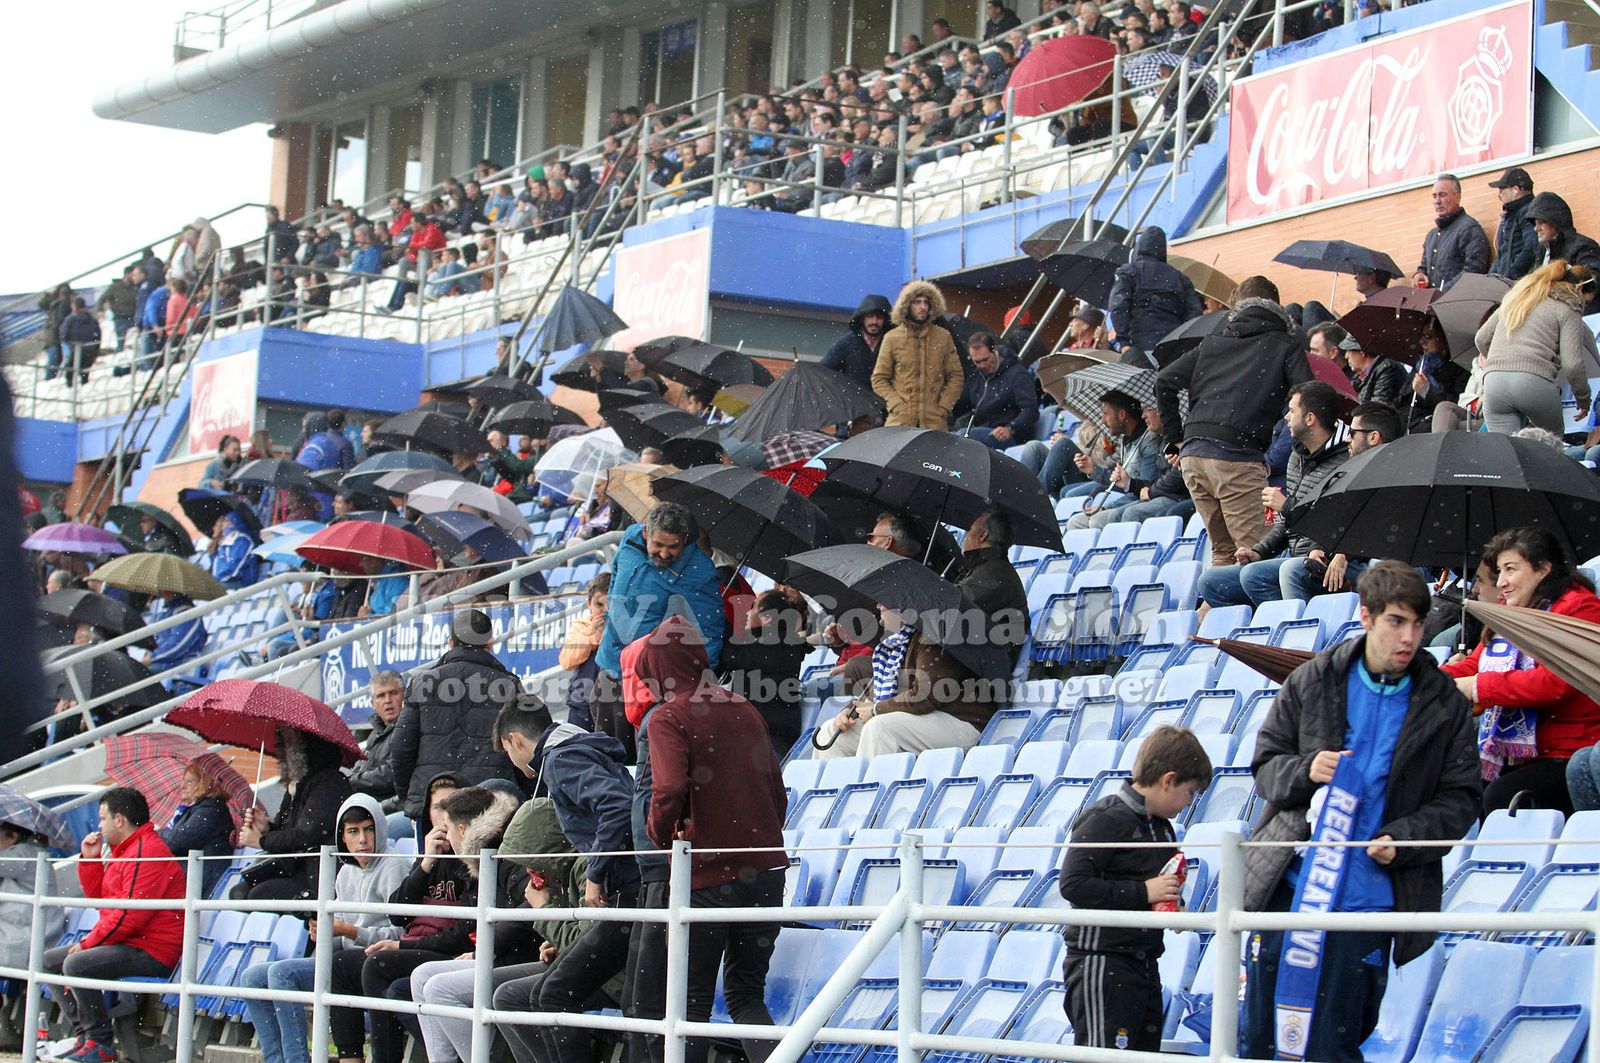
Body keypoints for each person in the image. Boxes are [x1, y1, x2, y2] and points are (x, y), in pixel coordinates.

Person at [1238, 563, 1481, 1060]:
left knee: (1336, 1043)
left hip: (1371, 899)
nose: (1409, 636)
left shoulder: (1444, 703)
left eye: (1417, 623)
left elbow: (1461, 800)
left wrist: (1406, 837)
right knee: (1263, 1042)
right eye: (1396, 622)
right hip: (1291, 887)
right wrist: (1307, 769)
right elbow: (1266, 766)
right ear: (1366, 617)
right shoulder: (1313, 679)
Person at [642, 616, 788, 1063]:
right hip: (766, 872)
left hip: (707, 875)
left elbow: (667, 790)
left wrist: (659, 834)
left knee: (690, 1005)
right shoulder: (745, 707)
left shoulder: (667, 716)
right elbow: (777, 791)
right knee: (747, 995)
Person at [491, 701, 642, 1063]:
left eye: (507, 752)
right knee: (548, 994)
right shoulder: (576, 750)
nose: (512, 762)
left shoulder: (561, 759)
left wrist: (595, 873)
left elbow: (617, 804)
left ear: (515, 740)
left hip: (627, 891)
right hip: (633, 887)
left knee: (553, 995)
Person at [1059, 726, 1212, 1052]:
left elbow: (1162, 883)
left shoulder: (1164, 829)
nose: (1189, 802)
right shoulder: (1106, 817)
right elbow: (1073, 885)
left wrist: (1172, 906)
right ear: (1168, 780)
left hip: (1144, 960)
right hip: (1101, 961)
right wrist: (1144, 893)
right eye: (1190, 792)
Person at [1440, 527, 1600, 815]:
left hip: (1569, 752)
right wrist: (1429, 679)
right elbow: (1477, 663)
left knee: (1499, 799)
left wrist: (1476, 687)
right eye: (1500, 572)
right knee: (1449, 784)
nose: (1501, 582)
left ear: (1543, 569)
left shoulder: (1579, 608)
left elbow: (1556, 684)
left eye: (1510, 570)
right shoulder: (1515, 611)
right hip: (1520, 756)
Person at [1157, 275, 1313, 568]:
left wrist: (1175, 438)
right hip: (1237, 456)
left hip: (1193, 457)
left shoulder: (1212, 343)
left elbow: (1164, 380)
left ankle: (1210, 614)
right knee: (1257, 554)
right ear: (1276, 307)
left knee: (1224, 554)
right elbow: (1308, 396)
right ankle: (1264, 614)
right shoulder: (1284, 344)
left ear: (1236, 308)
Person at [241, 795, 409, 1063]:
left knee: (283, 974)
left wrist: (350, 931)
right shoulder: (345, 872)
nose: (363, 840)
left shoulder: (395, 865)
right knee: (252, 978)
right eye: (353, 832)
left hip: (376, 961)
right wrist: (323, 933)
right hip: (344, 959)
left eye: (369, 829)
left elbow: (404, 935)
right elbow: (337, 936)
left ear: (380, 828)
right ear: (342, 837)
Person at [329, 777, 480, 1063]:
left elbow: (463, 934)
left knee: (379, 967)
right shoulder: (425, 859)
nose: (445, 817)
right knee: (339, 965)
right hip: (419, 945)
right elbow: (399, 913)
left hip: (446, 951)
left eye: (452, 806)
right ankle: (351, 1058)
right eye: (438, 808)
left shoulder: (471, 860)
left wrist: (399, 946)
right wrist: (425, 865)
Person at [42, 788, 184, 1063]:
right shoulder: (128, 850)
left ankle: (101, 1043)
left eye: (102, 818)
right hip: (131, 941)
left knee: (76, 964)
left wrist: (87, 944)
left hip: (154, 950)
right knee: (49, 961)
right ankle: (85, 1036)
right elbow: (103, 901)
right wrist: (91, 860)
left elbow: (130, 915)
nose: (99, 825)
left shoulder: (147, 851)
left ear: (119, 819)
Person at [1199, 381, 1358, 608]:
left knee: (1258, 575)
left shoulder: (1344, 460)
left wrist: (1287, 506)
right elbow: (1289, 523)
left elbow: (1336, 520)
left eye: (1292, 411)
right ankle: (1268, 623)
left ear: (1310, 418)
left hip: (1322, 560)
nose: (1286, 418)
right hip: (1294, 557)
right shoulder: (1297, 457)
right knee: (1211, 583)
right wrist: (1259, 551)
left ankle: (1294, 628)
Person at [594, 502, 726, 762]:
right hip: (608, 667)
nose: (664, 554)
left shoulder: (699, 572)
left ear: (685, 540)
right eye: (659, 545)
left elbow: (709, 633)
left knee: (642, 767)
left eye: (673, 546)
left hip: (648, 684)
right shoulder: (629, 541)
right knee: (608, 760)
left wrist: (696, 685)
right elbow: (615, 582)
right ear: (645, 533)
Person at [391, 610, 522, 825]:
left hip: (434, 807)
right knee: (485, 860)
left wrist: (415, 797)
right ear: (489, 644)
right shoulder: (509, 686)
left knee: (430, 859)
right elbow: (522, 748)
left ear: (451, 643)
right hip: (491, 807)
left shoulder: (423, 682)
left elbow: (401, 747)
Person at [1474, 261, 1596, 435]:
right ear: (1578, 289)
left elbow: (1481, 338)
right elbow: (1573, 364)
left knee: (1505, 452)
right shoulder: (1569, 305)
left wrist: (1501, 363)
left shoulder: (1519, 297)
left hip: (1494, 384)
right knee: (1550, 448)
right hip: (1533, 382)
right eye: (1586, 302)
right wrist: (1583, 400)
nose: (1583, 306)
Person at [235, 729, 353, 900]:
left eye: (292, 747)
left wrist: (262, 841)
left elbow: (308, 834)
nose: (286, 756)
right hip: (297, 867)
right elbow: (290, 830)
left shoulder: (330, 782)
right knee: (239, 891)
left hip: (319, 875)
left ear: (309, 749)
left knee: (258, 895)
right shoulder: (299, 784)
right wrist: (267, 828)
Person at [720, 589, 811, 755]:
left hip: (765, 740)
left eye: (754, 607)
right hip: (770, 735)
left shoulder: (766, 644)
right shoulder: (785, 642)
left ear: (767, 617)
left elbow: (727, 655)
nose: (748, 611)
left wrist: (719, 619)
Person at [871, 280, 964, 429]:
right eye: (917, 302)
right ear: (907, 305)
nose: (922, 307)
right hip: (900, 421)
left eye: (926, 302)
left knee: (934, 452)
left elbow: (956, 375)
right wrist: (896, 404)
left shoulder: (943, 336)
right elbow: (879, 378)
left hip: (934, 422)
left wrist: (944, 407)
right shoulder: (892, 338)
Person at [1108, 226, 1203, 362]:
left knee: (1139, 383)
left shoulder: (1129, 271)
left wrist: (1124, 341)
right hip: (1174, 349)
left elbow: (1118, 305)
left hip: (1139, 346)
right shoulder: (1180, 277)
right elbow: (1194, 314)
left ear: (1139, 246)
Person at [954, 510, 1030, 669]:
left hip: (986, 670)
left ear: (982, 536)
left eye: (968, 531)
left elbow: (952, 604)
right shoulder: (986, 568)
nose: (965, 537)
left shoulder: (995, 575)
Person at [1061, 391, 1164, 506]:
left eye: (1106, 414)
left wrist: (1107, 508)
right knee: (1065, 492)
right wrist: (1093, 470)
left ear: (1122, 415)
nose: (1102, 420)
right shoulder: (1125, 438)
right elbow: (1121, 480)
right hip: (1127, 493)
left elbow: (1145, 490)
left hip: (1135, 498)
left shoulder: (1148, 441)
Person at [158, 760, 235, 897]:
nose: (182, 786)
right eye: (183, 781)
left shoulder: (210, 810)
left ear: (205, 784)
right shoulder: (198, 809)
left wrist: (157, 835)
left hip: (203, 881)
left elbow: (177, 841)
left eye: (189, 782)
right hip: (195, 877)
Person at [950, 332, 1039, 446]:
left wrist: (1010, 428)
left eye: (986, 359)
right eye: (977, 362)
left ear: (995, 350)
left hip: (1011, 436)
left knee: (962, 438)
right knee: (947, 436)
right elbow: (961, 405)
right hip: (984, 430)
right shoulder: (977, 376)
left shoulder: (1018, 375)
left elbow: (1030, 410)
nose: (982, 366)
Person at [347, 671, 407, 832]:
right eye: (381, 696)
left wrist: (352, 781)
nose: (388, 700)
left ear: (404, 696)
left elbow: (392, 775)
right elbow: (361, 766)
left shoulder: (410, 729)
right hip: (373, 807)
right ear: (373, 703)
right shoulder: (376, 732)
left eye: (393, 693)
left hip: (397, 807)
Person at [1523, 191, 1600, 313]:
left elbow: (1592, 283)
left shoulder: (1583, 246)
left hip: (1581, 316)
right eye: (1535, 223)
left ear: (1556, 223)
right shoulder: (1541, 251)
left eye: (1541, 222)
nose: (1536, 228)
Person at [1414, 174, 1491, 291]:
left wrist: (1442, 293)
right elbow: (1424, 267)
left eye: (1442, 195)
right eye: (1434, 196)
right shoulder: (1432, 235)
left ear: (1458, 197)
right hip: (1433, 304)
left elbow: (1473, 272)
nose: (1437, 201)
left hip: (1458, 303)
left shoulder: (1469, 228)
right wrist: (1419, 275)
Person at [558, 573, 610, 730]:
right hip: (582, 702)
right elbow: (566, 661)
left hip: (613, 702)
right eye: (599, 605)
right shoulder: (580, 627)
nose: (605, 610)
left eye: (610, 604)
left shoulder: (624, 626)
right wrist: (592, 635)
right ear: (589, 604)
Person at [823, 294, 893, 392]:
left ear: (886, 320)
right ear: (862, 318)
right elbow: (823, 373)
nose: (874, 321)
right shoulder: (846, 344)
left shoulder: (892, 344)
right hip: (853, 403)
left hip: (885, 403)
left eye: (879, 317)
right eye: (869, 316)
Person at [1487, 167, 1539, 281]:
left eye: (1502, 190)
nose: (1499, 195)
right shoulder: (1512, 214)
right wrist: (1490, 279)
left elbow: (1531, 248)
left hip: (1519, 283)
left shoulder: (1528, 211)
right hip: (1509, 282)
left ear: (1515, 189)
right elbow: (1502, 254)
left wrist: (1509, 276)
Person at [1339, 333, 1409, 408]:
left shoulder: (1389, 370)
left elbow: (1378, 408)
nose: (1346, 356)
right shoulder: (1359, 376)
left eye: (1349, 350)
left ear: (1362, 352)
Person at [207, 512, 260, 590]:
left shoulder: (243, 540)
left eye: (226, 521)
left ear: (234, 522)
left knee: (212, 591)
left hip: (241, 581)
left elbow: (235, 567)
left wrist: (219, 581)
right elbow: (217, 567)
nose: (223, 525)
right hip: (225, 581)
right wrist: (214, 540)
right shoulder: (224, 542)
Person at [57, 297, 100, 385]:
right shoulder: (93, 320)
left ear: (75, 307)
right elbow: (97, 337)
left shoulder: (70, 320)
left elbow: (63, 335)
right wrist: (95, 352)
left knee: (70, 374)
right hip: (90, 351)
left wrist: (70, 342)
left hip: (76, 350)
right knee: (84, 375)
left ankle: (70, 390)